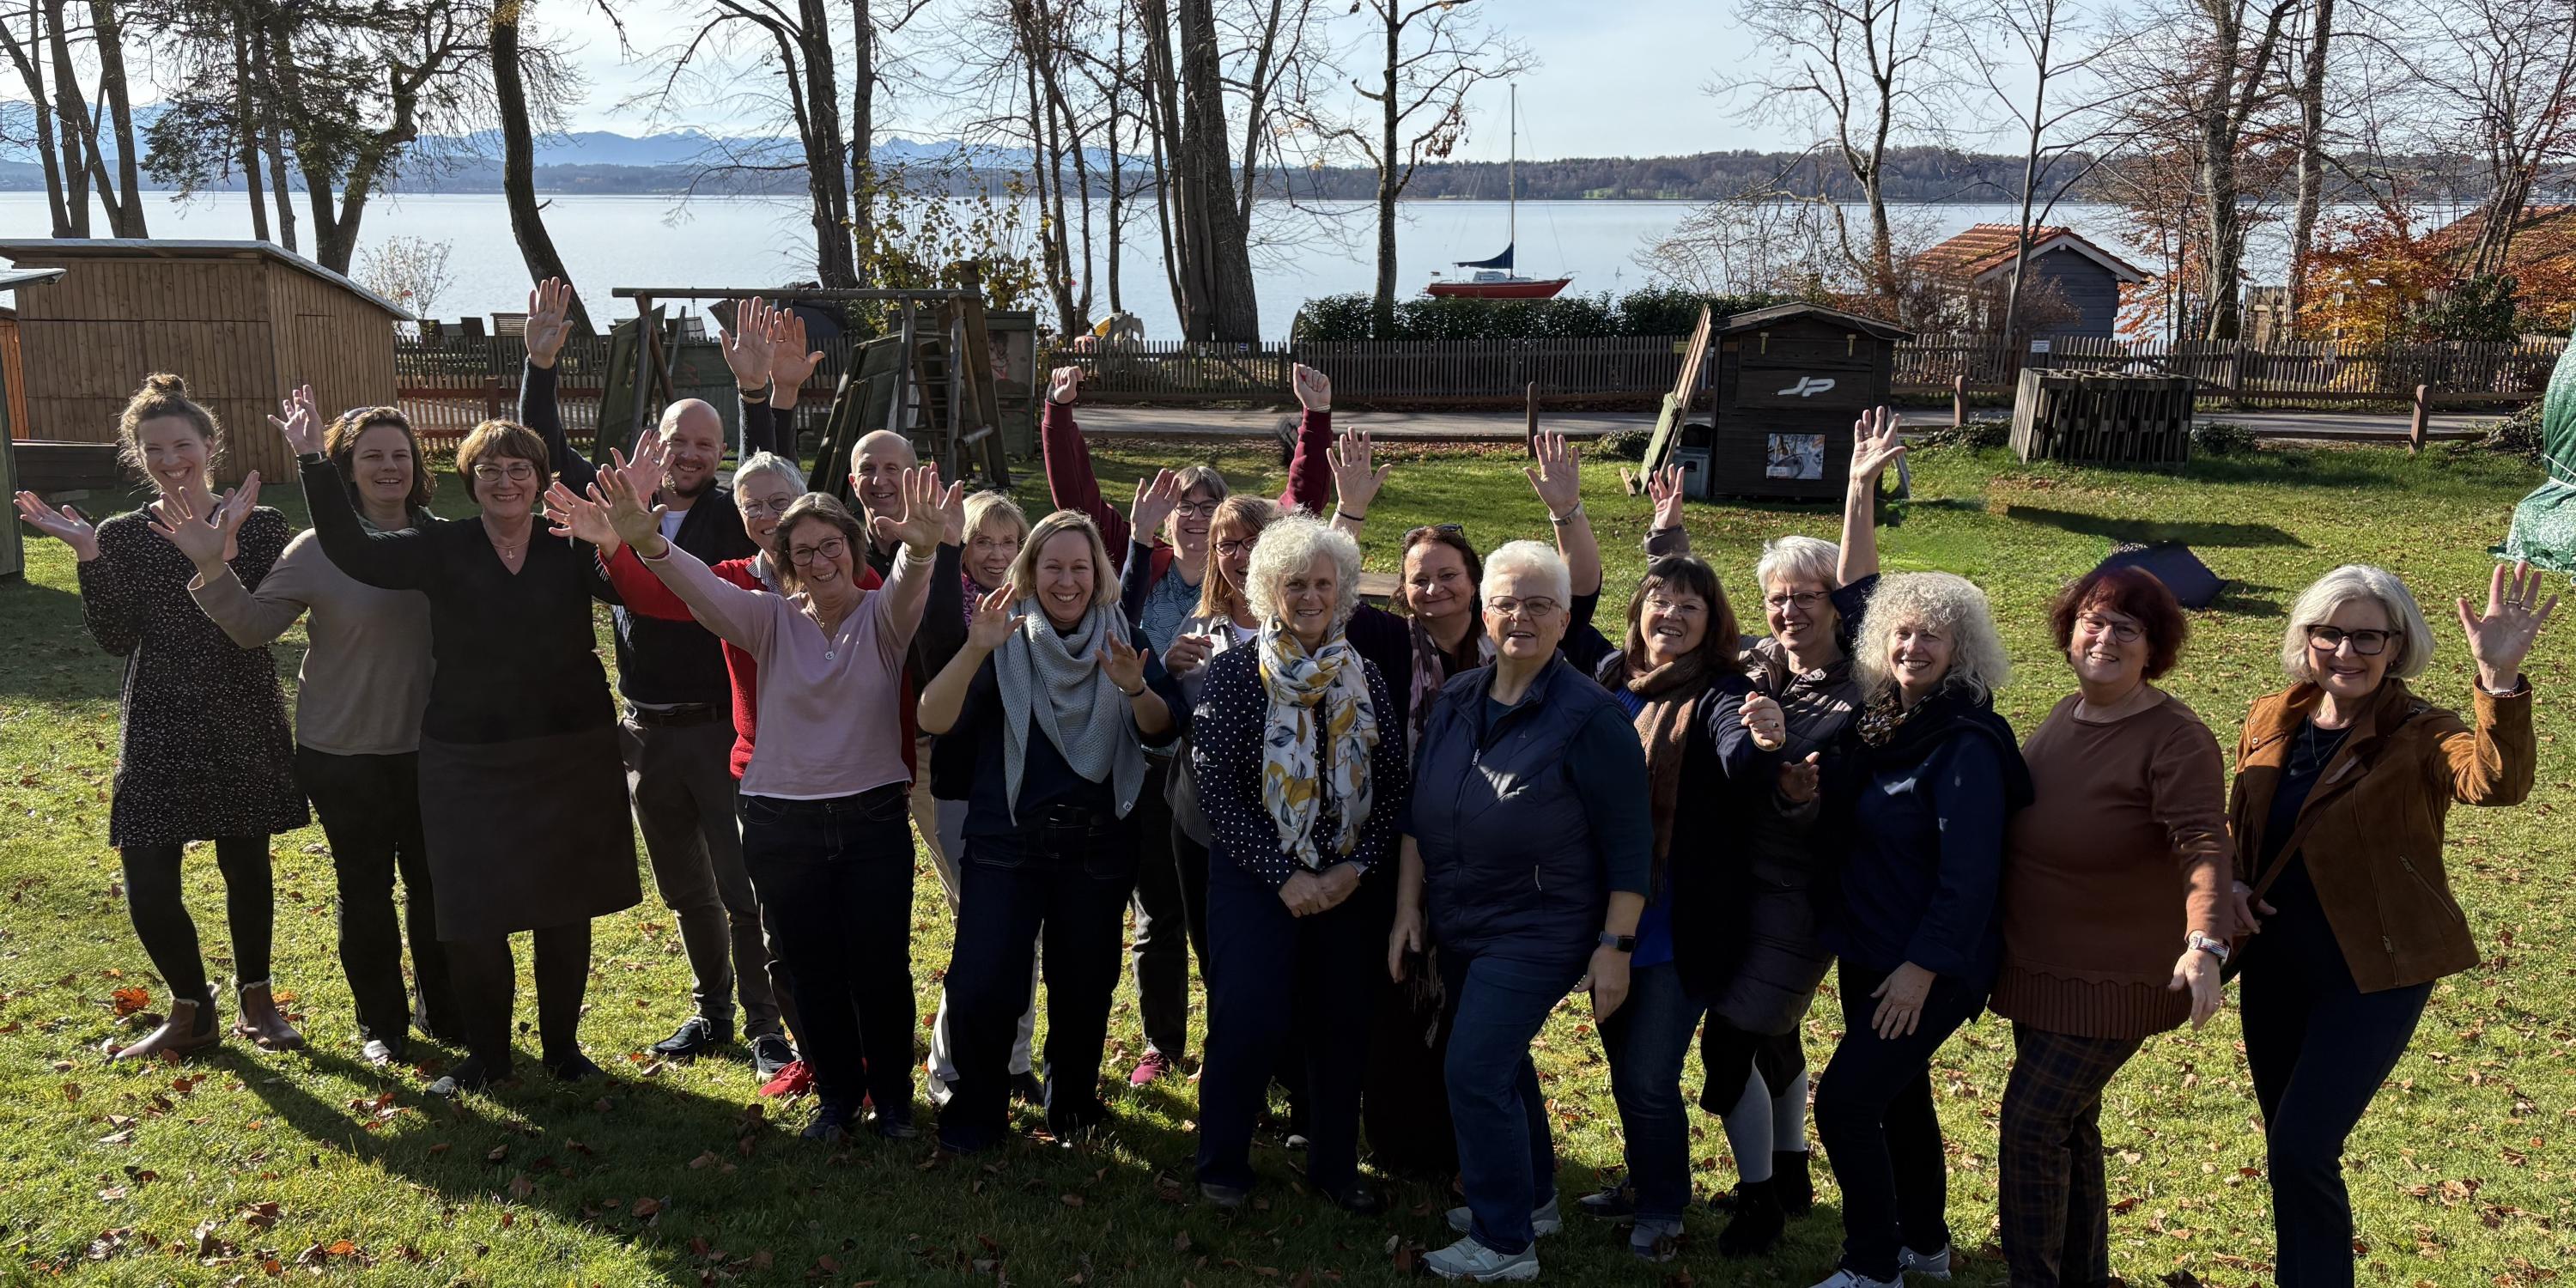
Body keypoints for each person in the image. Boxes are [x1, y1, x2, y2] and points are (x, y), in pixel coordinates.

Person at [568, 446, 953, 1142]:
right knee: (810, 968)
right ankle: (837, 1099)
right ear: (784, 562)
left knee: (879, 967)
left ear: (851, 547)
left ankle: (893, 1101)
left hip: (870, 822)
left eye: (830, 546)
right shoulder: (765, 619)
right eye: (802, 552)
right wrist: (649, 541)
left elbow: (908, 581)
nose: (819, 561)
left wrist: (922, 547)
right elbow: (697, 589)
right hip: (782, 823)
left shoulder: (882, 620)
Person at [284, 382, 641, 1097]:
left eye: (520, 470)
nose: (506, 481)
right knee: (473, 913)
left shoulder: (570, 544)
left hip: (569, 751)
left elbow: (634, 589)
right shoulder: (440, 545)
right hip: (468, 758)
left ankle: (565, 1051)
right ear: (468, 481)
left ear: (541, 481)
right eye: (490, 470)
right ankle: (488, 1057)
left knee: (563, 907)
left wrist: (629, 527)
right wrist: (310, 462)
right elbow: (355, 550)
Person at [2227, 562, 2550, 1288]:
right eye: (2329, 633)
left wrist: (2498, 680)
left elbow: (2495, 784)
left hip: (2375, 972)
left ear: (2397, 646)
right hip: (2277, 965)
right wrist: (2234, 884)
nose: (2346, 651)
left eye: (2367, 637)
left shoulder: (2421, 732)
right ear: (2304, 638)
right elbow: (2239, 823)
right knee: (2290, 1150)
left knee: (2304, 1149)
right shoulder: (2268, 717)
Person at [1638, 407, 1905, 1253]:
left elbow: (1865, 594)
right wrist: (1667, 536)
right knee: (1773, 1036)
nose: (1790, 611)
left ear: (1836, 605)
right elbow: (1685, 614)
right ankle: (1788, 1166)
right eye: (1778, 598)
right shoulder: (1757, 663)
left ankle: (1757, 1200)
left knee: (1726, 1050)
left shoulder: (1863, 685)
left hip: (1800, 895)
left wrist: (1859, 491)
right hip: (1732, 883)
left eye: (1807, 597)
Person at [520, 281, 801, 1074]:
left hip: (719, 725)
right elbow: (541, 445)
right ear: (657, 441)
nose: (692, 456)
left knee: (743, 887)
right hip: (642, 731)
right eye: (681, 441)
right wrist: (539, 364)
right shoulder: (614, 501)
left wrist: (757, 392)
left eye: (707, 447)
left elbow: (771, 467)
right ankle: (711, 1014)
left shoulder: (727, 521)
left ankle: (767, 1024)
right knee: (685, 887)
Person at [1038, 361, 1335, 1085]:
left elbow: (1299, 507)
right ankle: (1162, 1044)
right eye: (1183, 501)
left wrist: (1315, 421)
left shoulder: (1264, 590)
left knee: (1231, 927)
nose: (1197, 514)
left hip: (1244, 784)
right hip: (1149, 769)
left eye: (1210, 503)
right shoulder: (1137, 559)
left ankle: (1257, 1050)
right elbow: (1075, 496)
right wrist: (1059, 415)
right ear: (1165, 515)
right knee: (1157, 918)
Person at [15, 374, 307, 1060]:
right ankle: (191, 1009)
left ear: (210, 444)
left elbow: (264, 624)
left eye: (183, 445)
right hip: (157, 714)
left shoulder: (261, 523)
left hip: (240, 708)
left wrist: (224, 547)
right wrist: (89, 555)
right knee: (147, 871)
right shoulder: (122, 534)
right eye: (154, 450)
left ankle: (258, 1001)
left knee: (247, 861)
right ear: (137, 456)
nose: (171, 460)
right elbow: (117, 637)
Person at [1388, 541, 1653, 1283]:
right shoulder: (1460, 698)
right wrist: (1410, 908)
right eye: (1506, 601)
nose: (1521, 617)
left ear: (1565, 619)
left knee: (1474, 1070)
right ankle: (1534, 1196)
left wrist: (1615, 945)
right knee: (1501, 1064)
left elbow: (1631, 847)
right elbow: (1419, 812)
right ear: (1484, 611)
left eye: (1539, 604)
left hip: (1541, 926)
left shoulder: (1591, 719)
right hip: (1461, 918)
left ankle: (1504, 1243)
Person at [179, 404, 455, 1065]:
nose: (390, 468)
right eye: (373, 457)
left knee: (437, 889)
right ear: (345, 471)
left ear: (417, 466)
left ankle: (445, 1011)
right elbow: (251, 627)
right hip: (344, 755)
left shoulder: (446, 542)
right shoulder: (315, 549)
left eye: (400, 455)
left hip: (437, 750)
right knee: (365, 892)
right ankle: (382, 1027)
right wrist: (214, 568)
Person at [1788, 571, 2030, 1288]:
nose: (1912, 645)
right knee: (1900, 1096)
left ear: (1961, 648)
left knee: (1845, 1102)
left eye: (1931, 634)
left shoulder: (1966, 742)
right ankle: (1924, 1245)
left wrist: (1924, 968)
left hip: (1931, 962)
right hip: (1870, 945)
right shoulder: (1880, 721)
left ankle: (1871, 1265)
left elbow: (1971, 872)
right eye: (1901, 630)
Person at [918, 509, 1186, 1153]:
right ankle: (977, 1110)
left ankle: (1073, 1104)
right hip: (1006, 841)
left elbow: (1164, 728)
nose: (1066, 580)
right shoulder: (1000, 636)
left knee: (1086, 984)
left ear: (1098, 576)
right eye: (1052, 566)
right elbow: (934, 715)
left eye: (1079, 567)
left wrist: (1133, 690)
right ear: (1029, 572)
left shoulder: (1125, 637)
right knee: (984, 982)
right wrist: (976, 647)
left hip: (1096, 847)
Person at [1993, 566, 2231, 1287]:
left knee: (2032, 1125)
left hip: (2116, 975)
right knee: (2071, 1127)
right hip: (2041, 969)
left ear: (2153, 649)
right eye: (2093, 621)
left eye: (2127, 629)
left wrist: (2206, 942)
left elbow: (2203, 842)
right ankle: (2084, 1277)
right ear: (2069, 633)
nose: (2104, 638)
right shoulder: (2067, 714)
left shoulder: (2175, 736)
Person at [1189, 514, 1408, 1215]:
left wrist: (1356, 869)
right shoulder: (1232, 674)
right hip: (1257, 881)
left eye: (1323, 583)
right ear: (1267, 590)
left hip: (1349, 883)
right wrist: (1286, 877)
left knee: (1342, 1027)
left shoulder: (1367, 674)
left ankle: (1334, 1167)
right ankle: (1222, 1163)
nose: (1311, 596)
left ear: (1342, 590)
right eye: (1295, 584)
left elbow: (1395, 786)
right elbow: (1214, 791)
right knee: (1248, 1019)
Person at [1557, 554, 1762, 1261]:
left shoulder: (1721, 694)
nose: (1670, 616)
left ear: (1712, 625)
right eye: (1660, 601)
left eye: (1689, 607)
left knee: (1648, 1075)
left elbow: (1740, 759)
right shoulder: (1615, 680)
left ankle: (1666, 1207)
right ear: (1640, 610)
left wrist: (1764, 746)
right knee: (1622, 1067)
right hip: (1608, 908)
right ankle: (1644, 1182)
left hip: (1678, 923)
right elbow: (1567, 617)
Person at [927, 490, 1047, 1108]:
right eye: (983, 542)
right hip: (963, 790)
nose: (998, 554)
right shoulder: (951, 607)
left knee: (1021, 934)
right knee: (981, 932)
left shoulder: (1043, 604)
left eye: (1008, 541)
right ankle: (948, 1069)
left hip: (1027, 792)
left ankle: (1016, 1060)